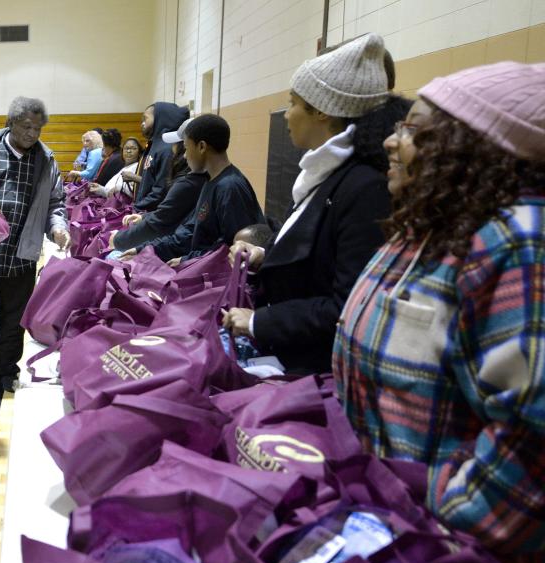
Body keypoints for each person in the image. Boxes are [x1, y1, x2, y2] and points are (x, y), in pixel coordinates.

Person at [333, 61, 545, 563]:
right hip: (390, 523)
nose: (390, 142)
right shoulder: (429, 225)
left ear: (471, 149)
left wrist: (440, 514)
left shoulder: (517, 243)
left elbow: (533, 445)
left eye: (413, 130)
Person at [222, 33, 393, 375]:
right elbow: (315, 256)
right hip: (290, 352)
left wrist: (260, 321)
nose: (286, 115)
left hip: (315, 370)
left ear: (321, 112)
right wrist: (263, 257)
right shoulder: (323, 175)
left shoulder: (366, 187)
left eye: (293, 103)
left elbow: (348, 306)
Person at [0, 95, 69, 392]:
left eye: (38, 128)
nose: (32, 134)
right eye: (26, 126)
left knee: (14, 317)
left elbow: (56, 203)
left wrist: (58, 228)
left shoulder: (46, 160)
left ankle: (7, 367)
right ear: (10, 122)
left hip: (21, 252)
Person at [117, 115, 263, 264]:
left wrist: (186, 260)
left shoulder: (230, 187)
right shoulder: (210, 181)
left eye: (186, 147)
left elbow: (231, 251)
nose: (185, 155)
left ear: (201, 147)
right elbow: (190, 232)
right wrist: (145, 249)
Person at [109, 129, 207, 252]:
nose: (185, 155)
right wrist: (144, 218)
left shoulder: (188, 183)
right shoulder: (194, 179)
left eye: (186, 147)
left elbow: (161, 221)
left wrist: (119, 240)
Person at [133, 102, 190, 211]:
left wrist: (138, 208)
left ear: (161, 119)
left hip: (155, 214)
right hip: (145, 210)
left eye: (145, 119)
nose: (142, 124)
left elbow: (161, 190)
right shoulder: (155, 144)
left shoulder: (167, 149)